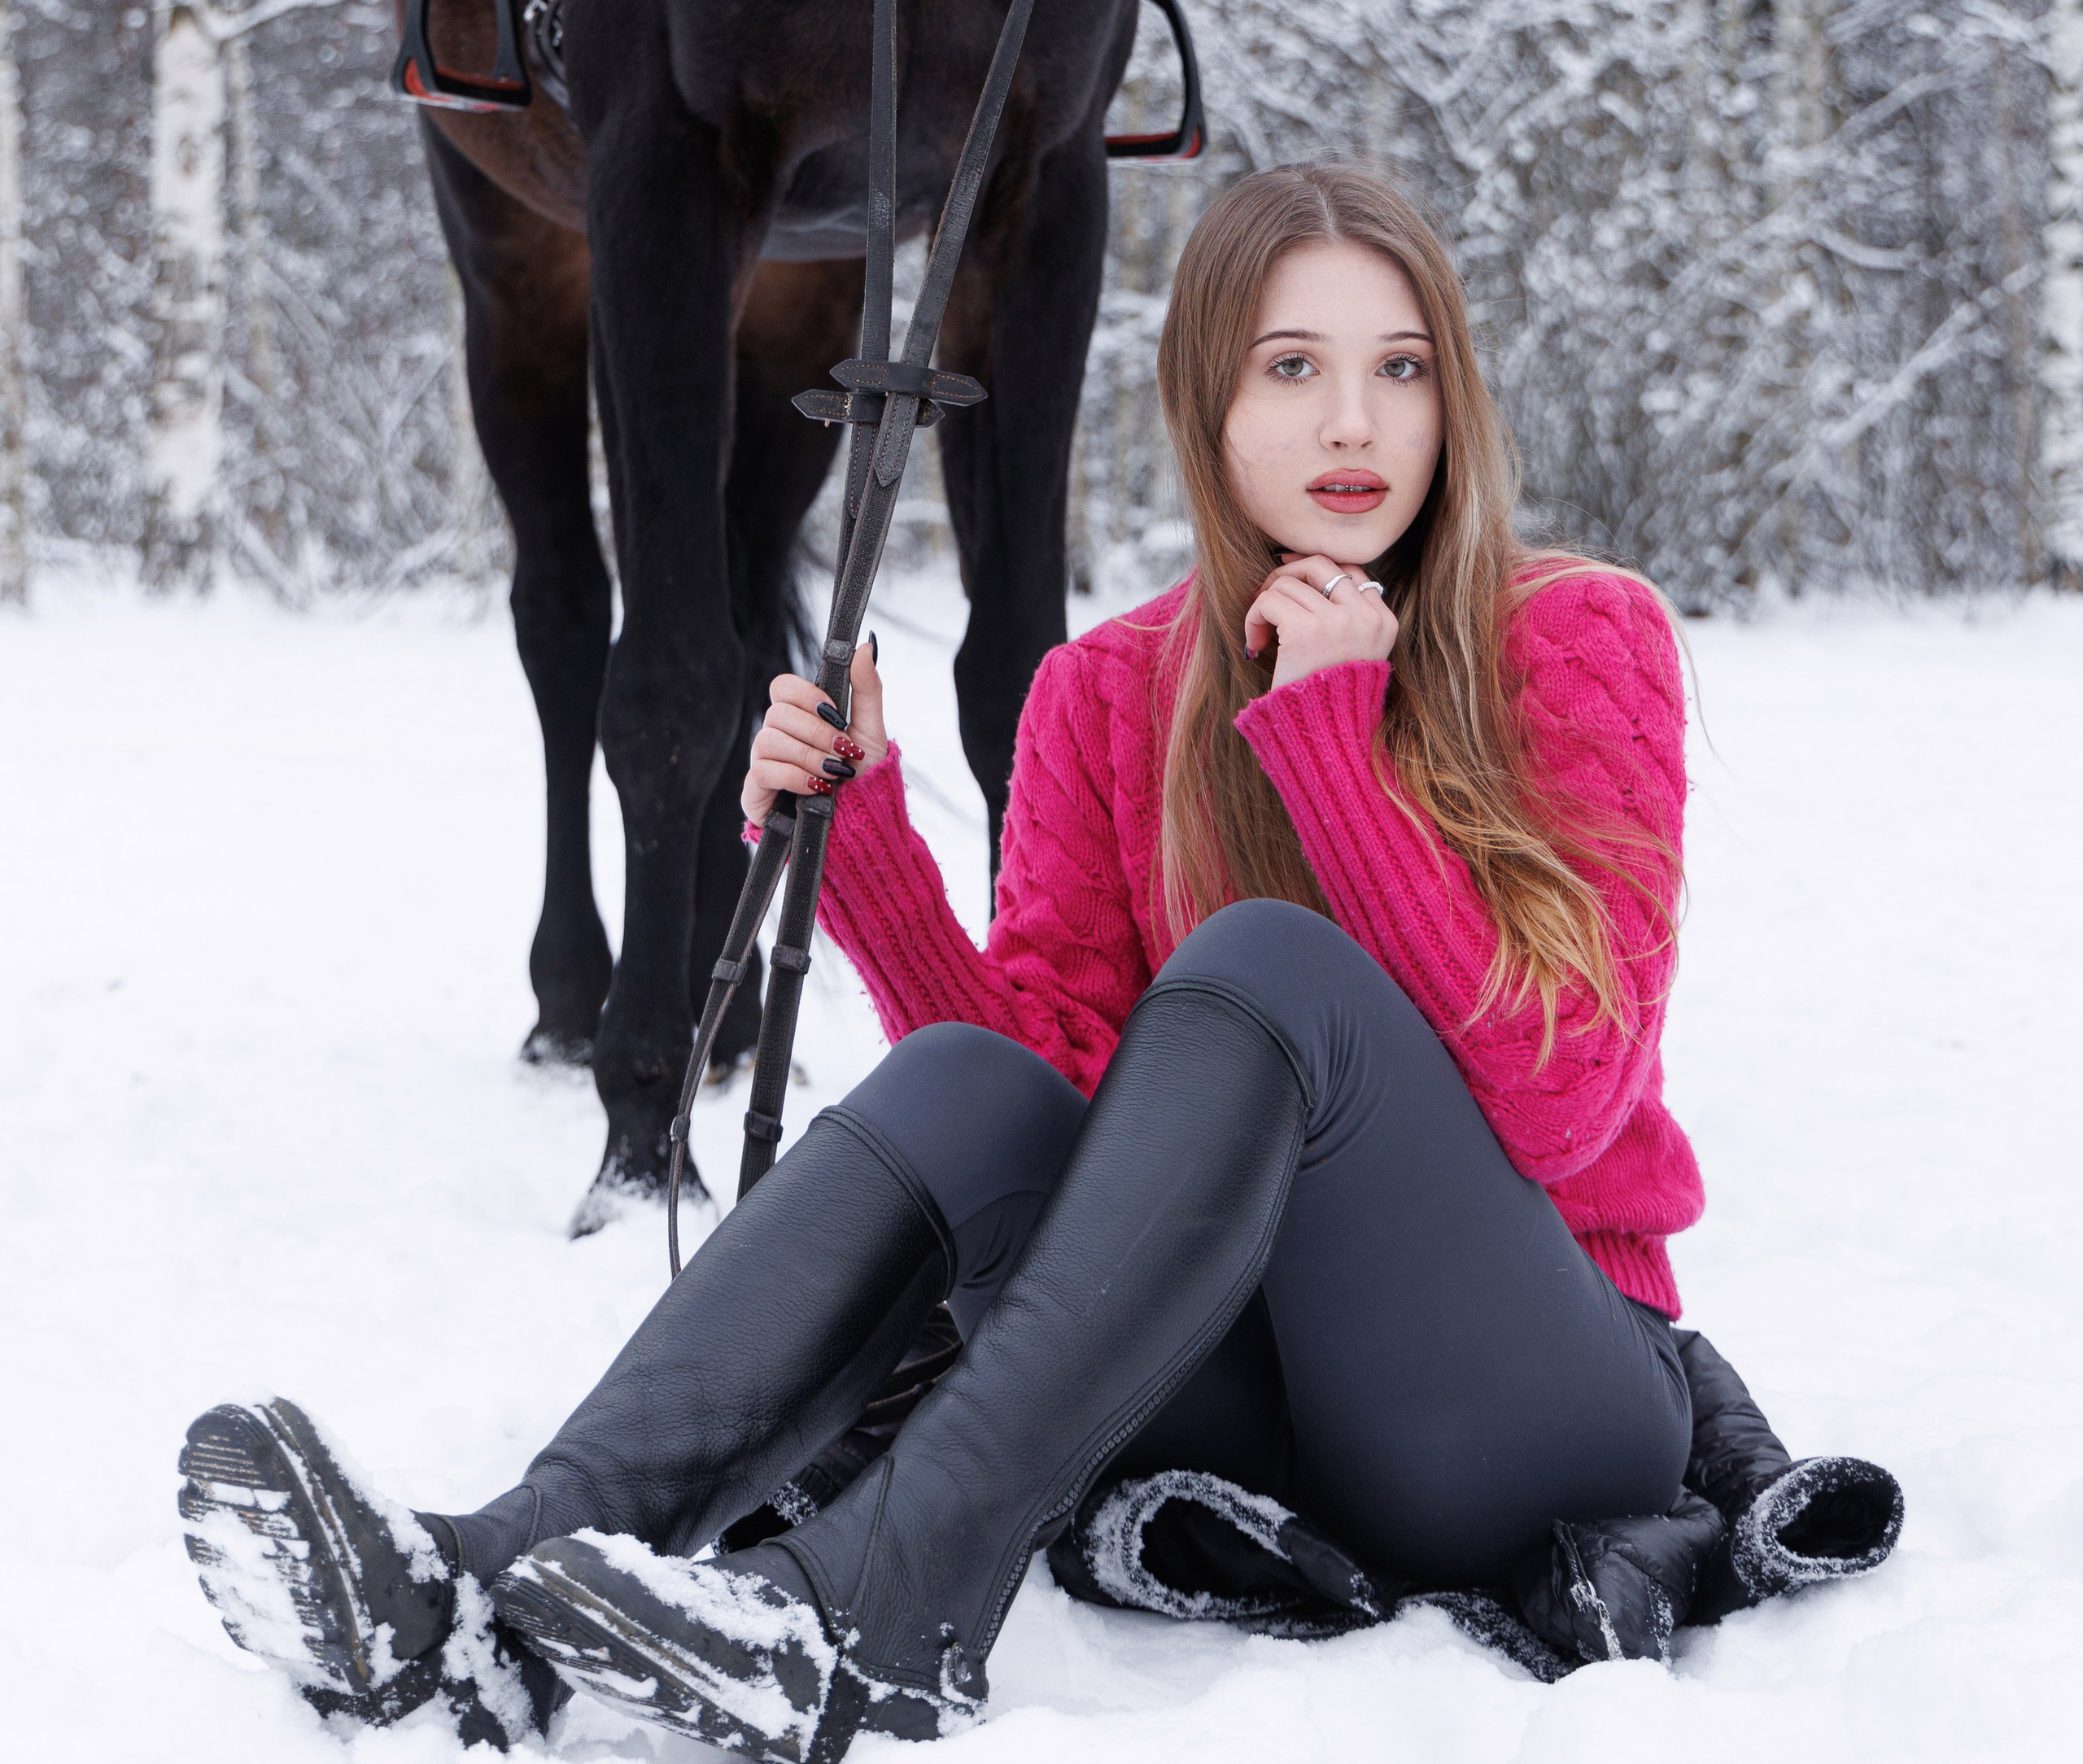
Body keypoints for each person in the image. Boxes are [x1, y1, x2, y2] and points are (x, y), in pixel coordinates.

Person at [180, 164, 1703, 1757]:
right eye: (1290, 367)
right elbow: (1053, 1108)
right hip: (1240, 1410)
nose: (1350, 426)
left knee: (1268, 965)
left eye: (1397, 369)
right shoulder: (1104, 697)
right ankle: (486, 1587)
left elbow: (1559, 1101)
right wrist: (863, 847)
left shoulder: (1574, 638)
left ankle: (881, 1606)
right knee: (969, 1079)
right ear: (1205, 397)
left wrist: (1330, 741)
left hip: (1525, 1401)